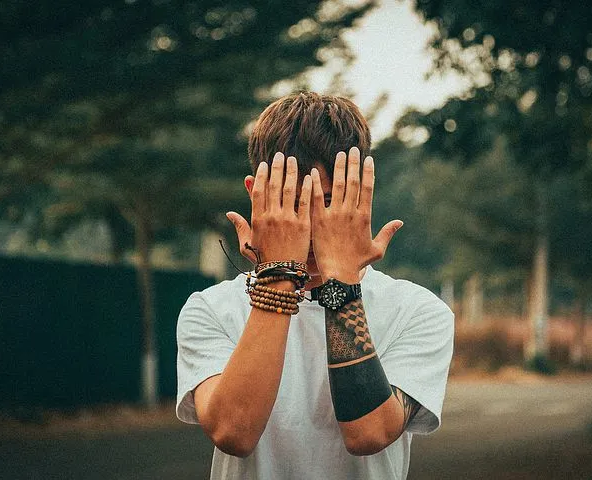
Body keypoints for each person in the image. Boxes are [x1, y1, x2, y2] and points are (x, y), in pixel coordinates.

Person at [176, 91, 454, 479]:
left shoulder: (419, 312)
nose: (305, 226)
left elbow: (369, 433)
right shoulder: (209, 309)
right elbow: (234, 433)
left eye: (326, 202)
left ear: (359, 193)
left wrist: (340, 278)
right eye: (290, 202)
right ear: (256, 193)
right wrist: (279, 275)